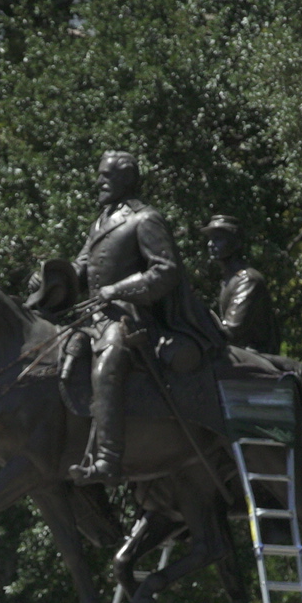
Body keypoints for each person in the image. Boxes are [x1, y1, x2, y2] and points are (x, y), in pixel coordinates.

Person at [64, 151, 227, 485]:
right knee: (60, 355)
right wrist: (55, 276)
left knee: (109, 362)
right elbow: (83, 266)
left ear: (125, 180)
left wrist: (117, 290)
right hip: (94, 315)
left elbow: (165, 271)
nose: (99, 182)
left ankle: (108, 460)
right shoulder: (101, 220)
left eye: (106, 177)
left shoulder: (145, 219)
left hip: (132, 315)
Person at [202, 215, 280, 355]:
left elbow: (231, 331)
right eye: (210, 239)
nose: (210, 244)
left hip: (256, 356)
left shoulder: (248, 280)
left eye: (218, 239)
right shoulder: (230, 279)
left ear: (237, 243)